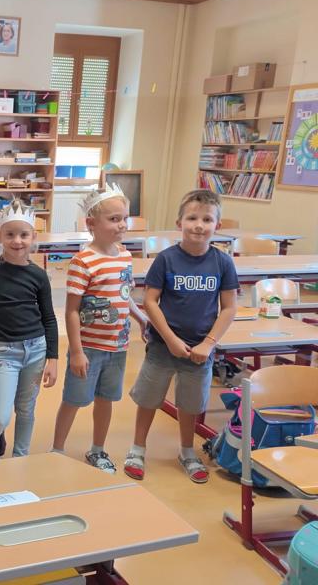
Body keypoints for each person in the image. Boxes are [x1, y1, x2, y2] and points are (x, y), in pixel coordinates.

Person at [124, 189, 238, 483]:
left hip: (200, 350)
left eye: (207, 220)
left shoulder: (223, 263)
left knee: (189, 404)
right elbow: (150, 301)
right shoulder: (166, 259)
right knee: (149, 399)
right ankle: (137, 448)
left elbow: (229, 308)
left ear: (217, 226)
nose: (199, 225)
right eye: (192, 218)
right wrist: (171, 339)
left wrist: (208, 344)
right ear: (179, 223)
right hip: (162, 347)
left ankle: (187, 451)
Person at [51, 185, 148, 473]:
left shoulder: (125, 256)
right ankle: (56, 449)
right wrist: (76, 352)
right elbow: (71, 310)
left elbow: (123, 294)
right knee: (74, 400)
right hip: (89, 349)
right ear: (91, 224)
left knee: (106, 400)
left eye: (125, 218)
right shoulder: (83, 261)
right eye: (114, 219)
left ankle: (97, 449)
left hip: (117, 347)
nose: (122, 225)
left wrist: (141, 318)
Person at [0, 200, 59, 461]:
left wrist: (53, 358)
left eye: (24, 235)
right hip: (6, 351)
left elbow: (49, 318)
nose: (17, 241)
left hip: (37, 350)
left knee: (26, 410)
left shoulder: (38, 275)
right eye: (10, 234)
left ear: (33, 237)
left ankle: (21, 459)